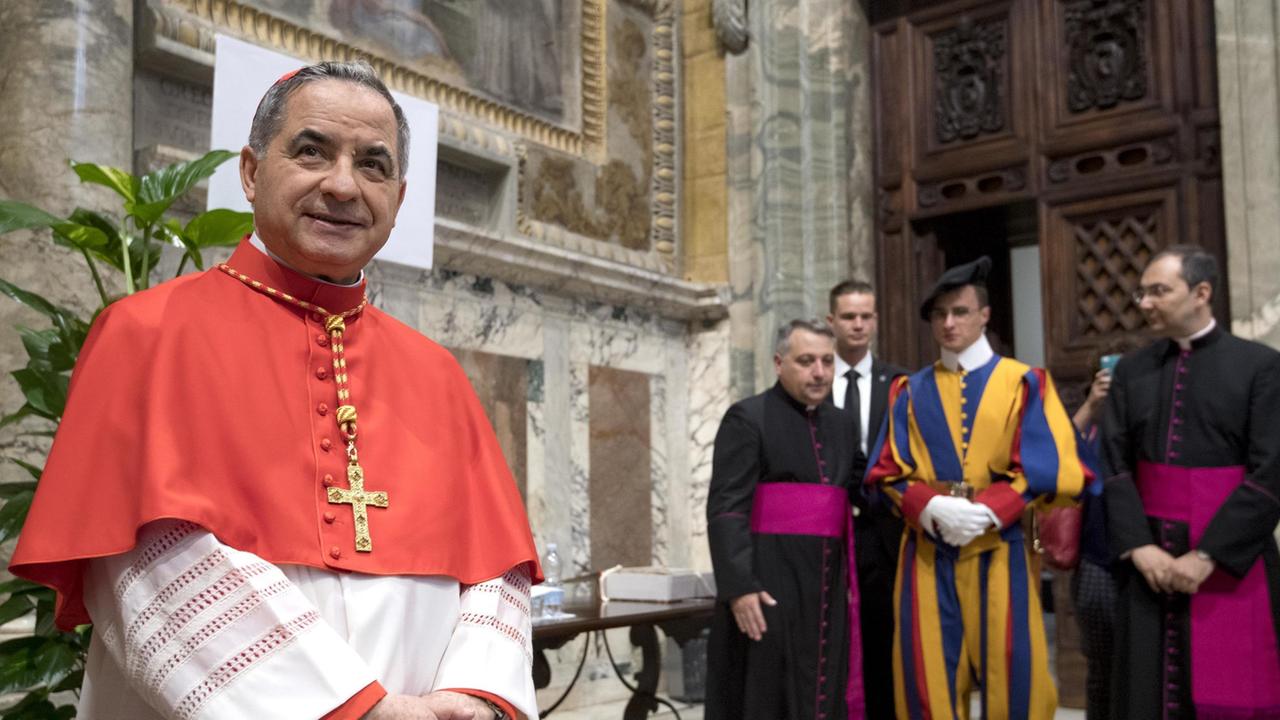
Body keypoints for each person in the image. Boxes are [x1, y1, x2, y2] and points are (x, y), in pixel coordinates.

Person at [9, 61, 539, 720]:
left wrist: (475, 701)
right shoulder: (145, 334)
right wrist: (358, 710)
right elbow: (142, 567)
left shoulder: (438, 373)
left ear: (398, 201)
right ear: (253, 171)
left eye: (373, 166)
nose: (343, 185)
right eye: (312, 151)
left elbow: (498, 572)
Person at [864, 256, 1089, 719]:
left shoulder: (1024, 382)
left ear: (984, 315)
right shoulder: (908, 389)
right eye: (939, 314)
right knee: (925, 676)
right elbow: (886, 471)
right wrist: (930, 507)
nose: (949, 323)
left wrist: (989, 510)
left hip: (1001, 546)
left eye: (960, 311)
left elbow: (1050, 466)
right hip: (927, 550)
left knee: (1015, 672)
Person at [1102, 245, 1280, 719]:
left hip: (1229, 560)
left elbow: (1271, 473)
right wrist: (1140, 548)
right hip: (1149, 565)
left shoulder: (1260, 367)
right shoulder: (1132, 371)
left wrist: (1207, 557)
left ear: (1201, 293)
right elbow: (1114, 466)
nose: (1144, 302)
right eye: (1142, 292)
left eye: (1158, 291)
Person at [705, 319, 865, 720]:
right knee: (766, 694)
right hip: (769, 585)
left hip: (828, 586)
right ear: (779, 363)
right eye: (806, 361)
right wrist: (740, 588)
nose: (819, 372)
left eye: (827, 361)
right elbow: (726, 508)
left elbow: (865, 485)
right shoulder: (747, 418)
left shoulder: (843, 423)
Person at [826, 280, 907, 720]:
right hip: (829, 530)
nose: (858, 325)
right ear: (831, 321)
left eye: (865, 317)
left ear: (875, 320)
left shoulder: (900, 382)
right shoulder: (813, 379)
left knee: (880, 638)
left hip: (884, 536)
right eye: (849, 316)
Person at [1067, 337, 1139, 720]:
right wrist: (1093, 406)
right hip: (1097, 561)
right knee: (1101, 670)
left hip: (1148, 561)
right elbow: (1055, 457)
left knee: (1146, 667)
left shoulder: (1154, 422)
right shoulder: (1091, 427)